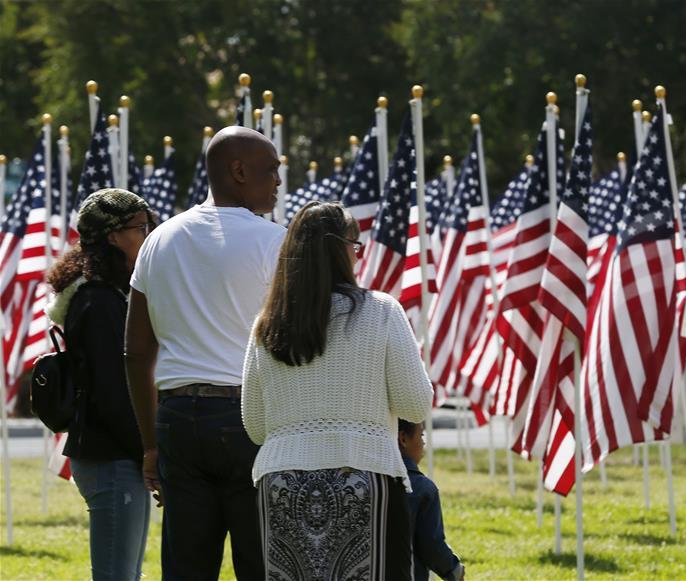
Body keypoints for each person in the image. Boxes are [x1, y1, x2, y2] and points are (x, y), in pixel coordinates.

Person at [125, 126, 286, 580]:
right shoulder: (275, 242)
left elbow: (136, 351)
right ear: (238, 171)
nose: (276, 181)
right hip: (251, 420)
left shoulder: (159, 239)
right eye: (270, 170)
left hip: (177, 421)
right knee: (261, 564)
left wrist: (151, 445)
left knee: (185, 569)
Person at [242, 201, 433, 581]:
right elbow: (415, 401)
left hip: (282, 484)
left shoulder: (267, 325)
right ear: (340, 249)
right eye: (355, 244)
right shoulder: (381, 311)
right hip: (365, 478)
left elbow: (256, 425)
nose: (358, 254)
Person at [46, 188, 154, 581]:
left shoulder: (107, 295)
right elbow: (114, 393)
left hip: (116, 455)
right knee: (117, 576)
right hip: (112, 456)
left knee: (128, 573)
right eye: (140, 228)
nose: (148, 235)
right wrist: (148, 450)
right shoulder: (98, 301)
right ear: (112, 236)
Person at [398, 419, 465, 581]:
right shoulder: (422, 488)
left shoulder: (365, 482)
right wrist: (453, 570)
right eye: (421, 435)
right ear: (404, 439)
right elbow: (432, 545)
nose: (423, 443)